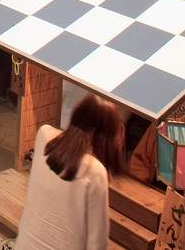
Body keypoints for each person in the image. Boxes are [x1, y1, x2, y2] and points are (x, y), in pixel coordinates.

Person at [15, 94, 125, 250]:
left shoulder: (44, 135)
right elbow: (97, 244)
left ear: (76, 114)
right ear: (108, 137)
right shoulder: (95, 171)